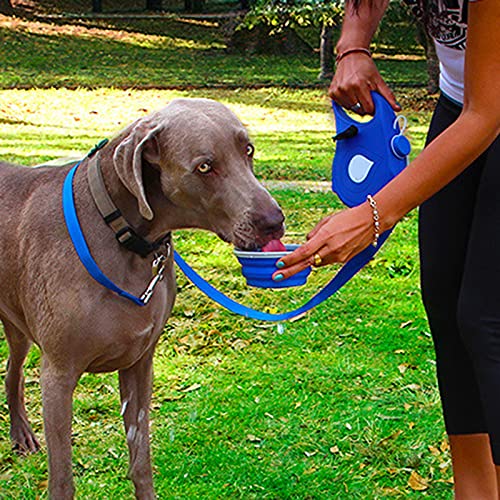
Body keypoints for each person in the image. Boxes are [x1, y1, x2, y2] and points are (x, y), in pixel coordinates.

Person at [272, 0, 500, 497]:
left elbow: (488, 115)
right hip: (463, 102)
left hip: (486, 110)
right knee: (447, 304)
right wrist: (353, 43)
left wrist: (375, 214)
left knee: (488, 318)